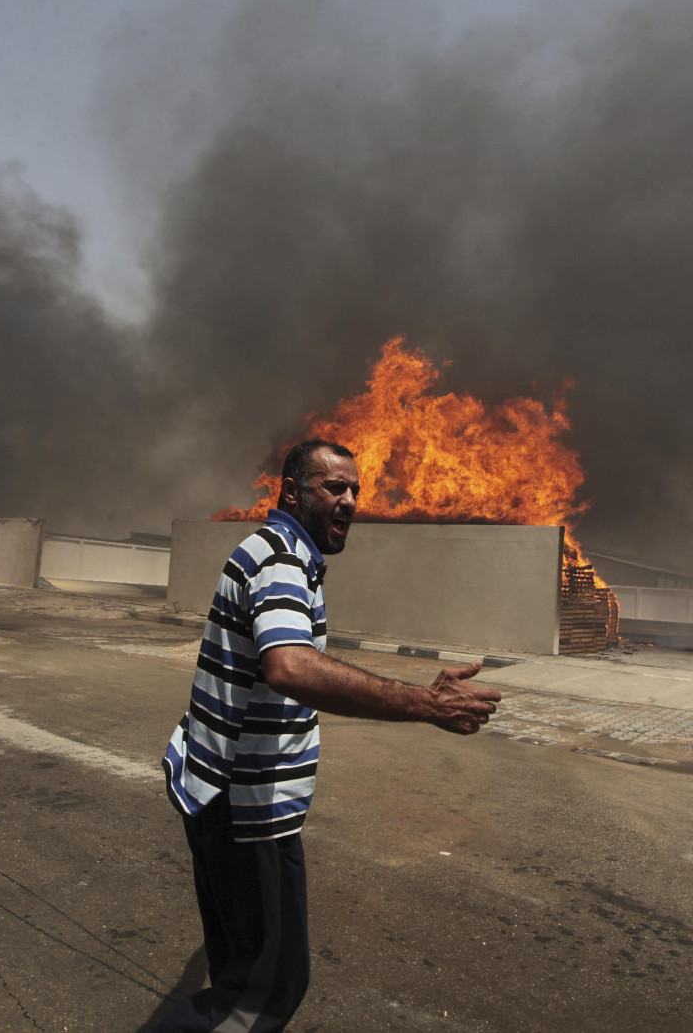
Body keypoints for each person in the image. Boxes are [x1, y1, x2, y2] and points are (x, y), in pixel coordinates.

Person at [155, 438, 501, 1033]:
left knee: (239, 973)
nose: (349, 501)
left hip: (214, 792)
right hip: (248, 811)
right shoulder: (281, 561)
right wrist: (424, 702)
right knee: (263, 995)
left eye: (354, 491)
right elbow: (289, 666)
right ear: (291, 491)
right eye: (333, 487)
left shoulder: (276, 551)